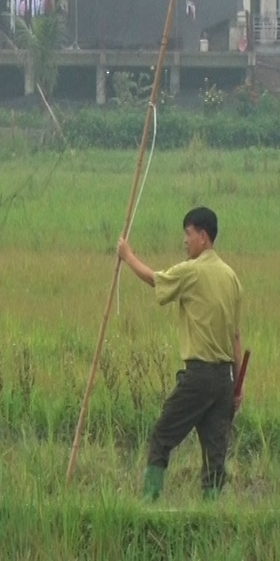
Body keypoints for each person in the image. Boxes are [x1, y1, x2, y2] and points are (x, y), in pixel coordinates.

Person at [117, 206, 243, 502]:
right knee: (215, 454)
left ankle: (149, 504)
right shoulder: (231, 277)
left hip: (199, 377)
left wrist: (127, 256)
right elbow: (236, 337)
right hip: (225, 380)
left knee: (162, 436)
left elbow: (154, 280)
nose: (185, 241)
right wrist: (238, 384)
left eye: (187, 234)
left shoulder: (192, 271)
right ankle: (210, 515)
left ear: (203, 236)